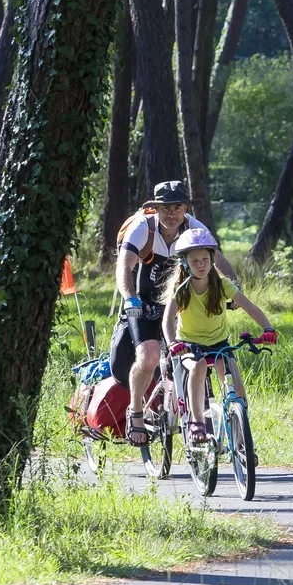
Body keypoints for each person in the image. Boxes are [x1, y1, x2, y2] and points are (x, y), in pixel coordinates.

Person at [115, 180, 234, 446]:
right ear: (155, 208)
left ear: (185, 208)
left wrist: (234, 286)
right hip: (143, 302)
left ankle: (196, 414)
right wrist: (130, 299)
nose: (172, 214)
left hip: (179, 302)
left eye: (178, 207)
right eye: (166, 208)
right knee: (148, 356)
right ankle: (135, 412)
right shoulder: (142, 228)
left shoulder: (194, 227)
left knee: (196, 352)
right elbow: (125, 265)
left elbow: (218, 258)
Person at [161, 227, 277, 443]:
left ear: (212, 258)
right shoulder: (182, 289)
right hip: (190, 345)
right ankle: (197, 422)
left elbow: (250, 307)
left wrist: (268, 328)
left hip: (219, 344)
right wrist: (172, 343)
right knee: (199, 366)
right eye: (195, 261)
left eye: (205, 259)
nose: (201, 265)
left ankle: (242, 442)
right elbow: (167, 320)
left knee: (238, 393)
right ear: (185, 262)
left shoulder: (222, 285)